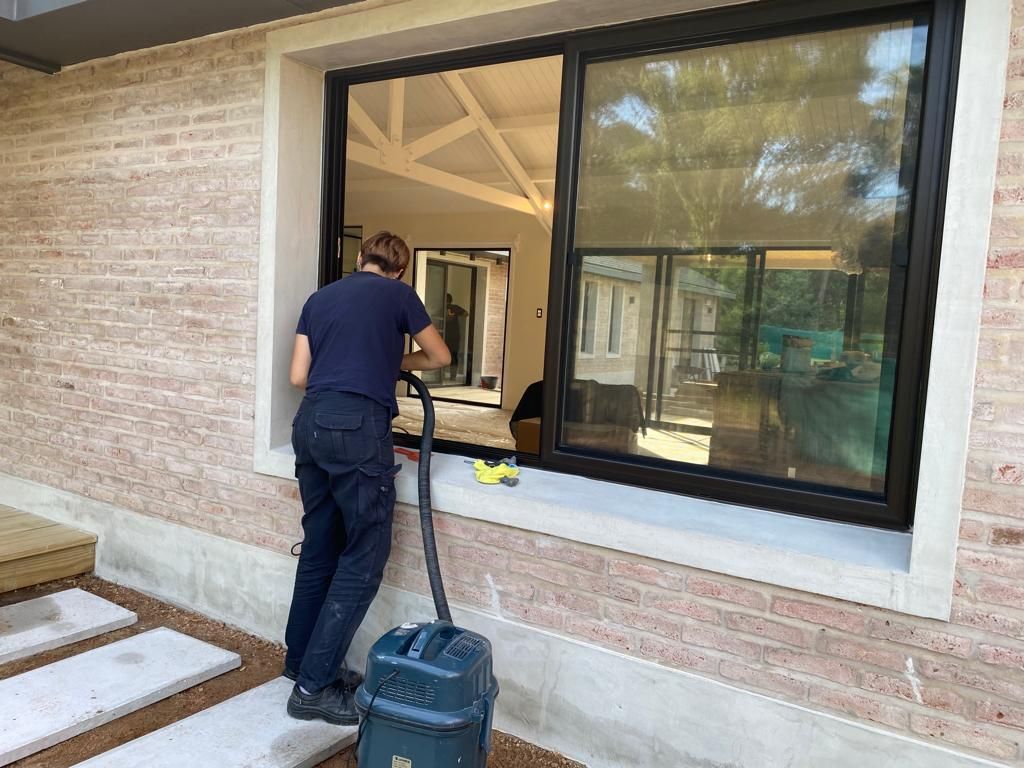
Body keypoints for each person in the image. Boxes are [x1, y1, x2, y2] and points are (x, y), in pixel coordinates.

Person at [284, 231, 451, 725]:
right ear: (400, 270)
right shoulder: (399, 295)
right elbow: (439, 356)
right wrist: (396, 360)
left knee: (319, 546)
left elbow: (298, 377)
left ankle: (300, 664)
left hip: (310, 423)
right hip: (357, 430)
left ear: (359, 259)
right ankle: (313, 688)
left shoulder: (319, 298)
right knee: (364, 556)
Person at [443, 293, 468, 382]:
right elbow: (466, 313)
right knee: (454, 355)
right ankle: (453, 377)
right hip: (454, 335)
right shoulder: (455, 308)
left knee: (443, 354)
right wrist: (456, 316)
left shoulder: (442, 308)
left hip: (444, 335)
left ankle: (441, 375)